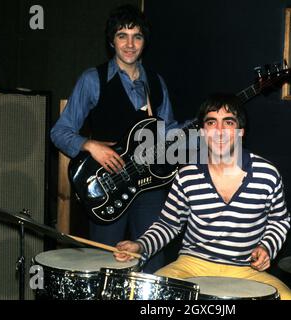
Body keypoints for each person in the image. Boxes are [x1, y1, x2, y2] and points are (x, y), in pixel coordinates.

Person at [114, 93, 291, 300]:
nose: (219, 131)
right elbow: (168, 225)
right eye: (212, 122)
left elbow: (279, 221)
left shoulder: (267, 174)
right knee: (148, 297)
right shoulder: (187, 174)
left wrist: (266, 247)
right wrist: (141, 245)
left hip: (246, 270)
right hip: (192, 265)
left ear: (241, 132)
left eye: (228, 122)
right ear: (202, 132)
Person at [50, 4, 177, 273]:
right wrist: (89, 145)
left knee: (152, 264)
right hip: (109, 186)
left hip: (151, 186)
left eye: (137, 36)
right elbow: (59, 132)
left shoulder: (157, 82)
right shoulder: (92, 79)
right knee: (105, 266)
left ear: (144, 41)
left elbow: (169, 134)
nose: (130, 44)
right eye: (123, 35)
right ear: (112, 41)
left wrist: (203, 129)